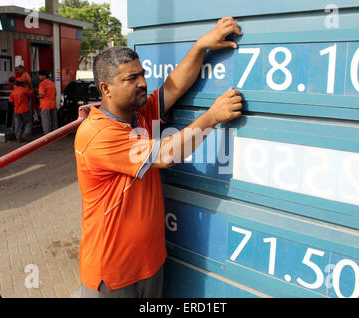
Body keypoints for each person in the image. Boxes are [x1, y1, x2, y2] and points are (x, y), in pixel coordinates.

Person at [75, 17, 243, 298]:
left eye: (141, 74)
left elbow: (173, 86)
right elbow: (165, 154)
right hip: (112, 276)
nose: (142, 83)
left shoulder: (138, 113)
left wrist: (201, 45)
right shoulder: (98, 134)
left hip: (149, 265)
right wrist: (213, 116)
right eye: (131, 79)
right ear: (105, 88)